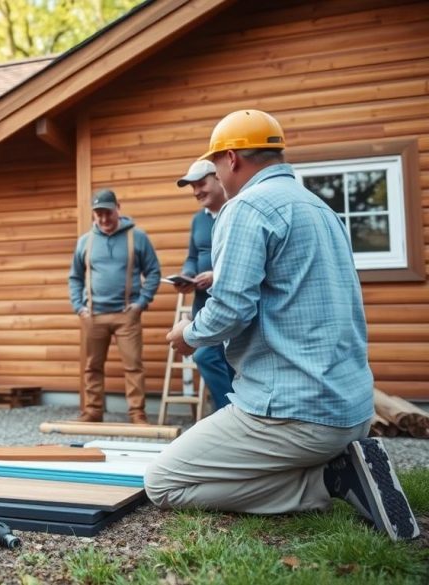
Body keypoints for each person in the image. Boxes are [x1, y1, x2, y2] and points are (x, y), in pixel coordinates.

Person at [148, 110, 419, 541]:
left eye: (215, 164)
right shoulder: (320, 208)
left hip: (294, 414)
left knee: (163, 482)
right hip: (350, 411)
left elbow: (230, 309)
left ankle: (328, 481)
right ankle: (339, 463)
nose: (215, 175)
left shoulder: (246, 208)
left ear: (231, 158)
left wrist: (189, 335)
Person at [68, 189, 161, 425]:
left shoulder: (137, 237)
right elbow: (75, 277)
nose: (104, 219)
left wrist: (141, 303)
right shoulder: (85, 242)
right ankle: (92, 411)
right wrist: (79, 307)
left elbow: (153, 272)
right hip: (93, 315)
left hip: (126, 315)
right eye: (98, 213)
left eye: (107, 212)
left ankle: (137, 413)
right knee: (92, 366)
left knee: (133, 366)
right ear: (93, 215)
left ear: (117, 208)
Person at [172, 159, 235, 410]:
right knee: (206, 355)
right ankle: (227, 412)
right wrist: (187, 276)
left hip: (230, 304)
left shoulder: (236, 213)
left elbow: (243, 262)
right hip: (202, 304)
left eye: (201, 184)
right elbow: (192, 256)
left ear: (218, 178)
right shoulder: (198, 221)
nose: (197, 191)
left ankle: (234, 414)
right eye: (192, 187)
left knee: (230, 361)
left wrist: (215, 275)